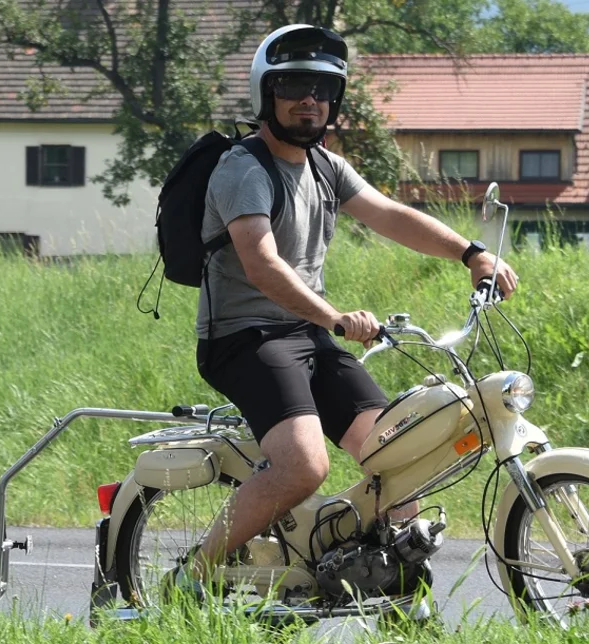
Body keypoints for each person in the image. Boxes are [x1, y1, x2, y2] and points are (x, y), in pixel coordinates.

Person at [182, 25, 521, 592]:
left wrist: (471, 252)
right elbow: (263, 265)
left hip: (308, 336)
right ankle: (189, 578)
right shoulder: (243, 168)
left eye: (320, 87)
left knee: (397, 453)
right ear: (267, 94)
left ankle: (402, 600)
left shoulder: (324, 167)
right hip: (244, 339)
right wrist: (334, 317)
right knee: (304, 466)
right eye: (292, 85)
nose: (308, 99)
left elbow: (390, 215)